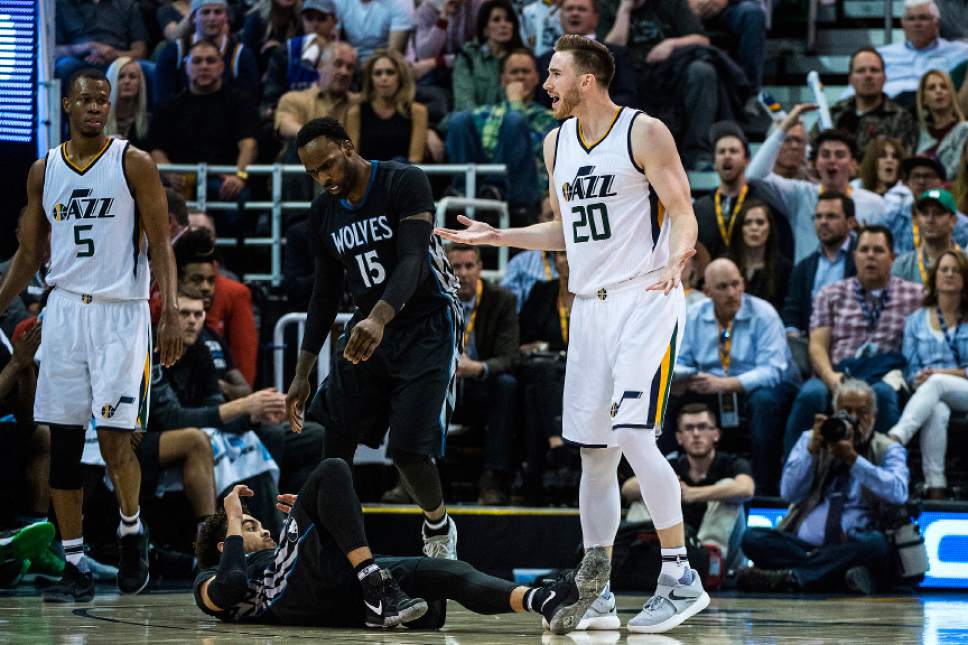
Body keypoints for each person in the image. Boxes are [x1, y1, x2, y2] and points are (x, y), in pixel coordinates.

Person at [436, 34, 709, 634]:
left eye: (555, 74)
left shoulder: (644, 131)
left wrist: (678, 258)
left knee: (636, 433)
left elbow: (684, 208)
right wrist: (499, 237)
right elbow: (569, 232)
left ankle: (680, 573)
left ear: (587, 79)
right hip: (589, 308)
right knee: (595, 454)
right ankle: (598, 589)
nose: (546, 85)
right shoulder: (555, 142)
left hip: (646, 296)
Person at [0, 68, 183, 601]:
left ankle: (131, 531)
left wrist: (168, 309)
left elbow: (161, 245)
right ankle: (75, 561)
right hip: (64, 312)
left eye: (103, 100)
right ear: (67, 105)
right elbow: (29, 255)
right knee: (61, 443)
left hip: (120, 313)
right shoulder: (44, 169)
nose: (97, 107)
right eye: (87, 100)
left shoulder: (134, 164)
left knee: (112, 438)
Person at [285, 117, 462, 563]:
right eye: (313, 173)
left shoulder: (405, 180)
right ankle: (333, 542)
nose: (324, 179)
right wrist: (302, 373)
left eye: (327, 165)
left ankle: (439, 528)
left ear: (348, 146)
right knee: (335, 435)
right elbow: (324, 295)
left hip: (427, 323)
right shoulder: (323, 212)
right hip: (370, 324)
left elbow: (412, 260)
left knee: (406, 449)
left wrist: (380, 318)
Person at [192, 459, 593, 629]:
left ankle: (544, 601)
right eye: (249, 525)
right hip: (295, 599)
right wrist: (229, 517)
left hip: (339, 598)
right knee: (331, 469)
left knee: (446, 574)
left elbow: (302, 551)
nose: (261, 528)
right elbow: (229, 588)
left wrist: (317, 517)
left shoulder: (281, 554)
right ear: (220, 545)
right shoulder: (209, 579)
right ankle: (376, 585)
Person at [739, 379, 908, 595]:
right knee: (752, 538)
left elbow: (899, 493)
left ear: (874, 417)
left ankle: (795, 576)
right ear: (834, 411)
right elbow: (789, 493)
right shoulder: (813, 438)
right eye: (846, 410)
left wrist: (854, 460)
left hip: (855, 545)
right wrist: (811, 452)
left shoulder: (888, 448)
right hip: (806, 547)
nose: (854, 419)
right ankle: (835, 575)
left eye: (862, 413)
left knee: (875, 545)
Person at [783, 226, 923, 456]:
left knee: (883, 394)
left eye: (878, 250)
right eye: (864, 250)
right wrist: (830, 378)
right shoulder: (832, 293)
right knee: (811, 394)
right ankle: (794, 470)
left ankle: (888, 469)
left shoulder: (915, 295)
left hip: (885, 374)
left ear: (892, 257)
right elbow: (817, 344)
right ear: (854, 256)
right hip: (839, 371)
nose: (870, 256)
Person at [671, 259, 799, 494]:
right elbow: (681, 360)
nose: (731, 293)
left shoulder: (763, 313)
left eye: (735, 284)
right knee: (670, 399)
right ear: (707, 291)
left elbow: (773, 370)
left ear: (743, 284)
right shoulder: (693, 315)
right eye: (722, 287)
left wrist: (726, 384)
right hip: (710, 384)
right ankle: (674, 480)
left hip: (758, 387)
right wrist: (687, 377)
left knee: (764, 403)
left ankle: (763, 488)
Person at [598, 0, 748, 170]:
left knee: (702, 71)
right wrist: (625, 10)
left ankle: (697, 153)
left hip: (671, 71)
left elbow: (701, 39)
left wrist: (671, 44)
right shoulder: (610, 6)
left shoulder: (672, 3)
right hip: (629, 77)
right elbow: (609, 50)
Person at [747, 104, 886, 263]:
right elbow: (754, 176)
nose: (832, 160)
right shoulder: (800, 195)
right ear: (814, 164)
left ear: (853, 165)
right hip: (808, 284)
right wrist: (785, 126)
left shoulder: (874, 204)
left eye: (840, 155)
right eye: (825, 155)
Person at [149, 39, 260, 239]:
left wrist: (240, 176)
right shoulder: (168, 107)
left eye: (210, 61)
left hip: (223, 181)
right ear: (187, 66)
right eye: (197, 61)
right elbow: (156, 149)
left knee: (243, 199)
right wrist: (170, 173)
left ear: (221, 66)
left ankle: (230, 265)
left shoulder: (240, 101)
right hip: (181, 183)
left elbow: (249, 144)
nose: (204, 67)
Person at [623, 403, 754, 570]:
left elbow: (746, 489)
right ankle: (642, 557)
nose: (696, 434)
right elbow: (627, 488)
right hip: (677, 552)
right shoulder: (672, 464)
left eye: (703, 427)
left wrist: (693, 493)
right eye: (689, 428)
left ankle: (705, 562)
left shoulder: (732, 463)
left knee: (728, 487)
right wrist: (664, 483)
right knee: (642, 498)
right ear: (679, 437)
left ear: (716, 434)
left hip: (722, 558)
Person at [889, 249, 968, 498]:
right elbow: (911, 368)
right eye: (944, 270)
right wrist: (919, 378)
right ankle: (936, 485)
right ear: (934, 277)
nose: (949, 274)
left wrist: (938, 374)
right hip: (930, 393)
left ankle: (896, 438)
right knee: (936, 410)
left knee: (936, 383)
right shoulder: (915, 321)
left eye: (955, 270)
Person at [446, 243, 520, 504]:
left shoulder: (502, 300)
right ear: (446, 269)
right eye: (456, 267)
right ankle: (406, 476)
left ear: (480, 268)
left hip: (481, 383)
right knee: (412, 384)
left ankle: (493, 479)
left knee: (507, 384)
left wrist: (478, 368)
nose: (463, 274)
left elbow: (511, 357)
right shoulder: (436, 299)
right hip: (443, 383)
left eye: (469, 266)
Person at [445, 48, 557, 215]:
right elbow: (458, 134)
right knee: (459, 119)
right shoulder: (485, 112)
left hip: (520, 187)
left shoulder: (548, 118)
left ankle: (496, 188)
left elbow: (532, 152)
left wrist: (516, 105)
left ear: (536, 79)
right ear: (503, 80)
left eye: (525, 72)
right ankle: (462, 189)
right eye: (514, 72)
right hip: (478, 183)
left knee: (514, 121)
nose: (520, 77)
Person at [516, 250, 579, 505]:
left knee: (535, 393)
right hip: (549, 370)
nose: (566, 261)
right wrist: (533, 347)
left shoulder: (598, 293)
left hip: (585, 370)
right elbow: (523, 341)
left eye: (569, 255)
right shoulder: (542, 292)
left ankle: (538, 470)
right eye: (560, 256)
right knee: (540, 378)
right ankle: (558, 452)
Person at [693, 122, 793, 263]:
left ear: (746, 160)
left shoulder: (766, 202)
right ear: (714, 162)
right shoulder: (699, 209)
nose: (727, 156)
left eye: (733, 151)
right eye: (721, 152)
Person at [858, 0, 968, 109]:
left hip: (938, 113)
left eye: (923, 18)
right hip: (888, 115)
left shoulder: (961, 52)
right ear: (903, 24)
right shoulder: (880, 55)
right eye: (911, 19)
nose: (917, 24)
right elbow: (854, 92)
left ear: (936, 23)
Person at [534, 0, 637, 110]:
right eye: (569, 9)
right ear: (560, 16)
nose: (575, 13)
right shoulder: (544, 60)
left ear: (596, 17)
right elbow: (541, 103)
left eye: (581, 9)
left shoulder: (617, 55)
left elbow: (628, 97)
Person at [782, 192, 857, 338]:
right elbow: (792, 313)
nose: (823, 222)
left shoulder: (863, 259)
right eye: (818, 216)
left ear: (850, 222)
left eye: (831, 216)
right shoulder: (804, 268)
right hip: (811, 344)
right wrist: (793, 335)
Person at [155, 0, 260, 104]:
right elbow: (163, 103)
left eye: (218, 12)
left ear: (226, 17)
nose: (212, 18)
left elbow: (249, 104)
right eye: (205, 12)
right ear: (193, 18)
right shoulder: (174, 53)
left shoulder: (241, 55)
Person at [817, 48, 917, 155]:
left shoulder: (901, 118)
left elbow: (902, 160)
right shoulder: (835, 114)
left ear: (884, 78)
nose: (868, 76)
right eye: (861, 71)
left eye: (874, 70)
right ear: (850, 79)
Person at [346, 50, 428, 163]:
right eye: (378, 73)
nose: (384, 78)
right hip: (369, 176)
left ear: (400, 77)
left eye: (390, 72)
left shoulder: (417, 111)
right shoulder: (356, 112)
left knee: (400, 161)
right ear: (371, 79)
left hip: (402, 176)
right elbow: (352, 159)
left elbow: (415, 160)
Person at [259, 0, 340, 114]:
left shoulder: (344, 55)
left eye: (321, 18)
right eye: (309, 18)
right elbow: (270, 99)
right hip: (293, 117)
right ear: (302, 20)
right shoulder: (286, 52)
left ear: (334, 21)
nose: (315, 25)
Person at [452, 0, 525, 112]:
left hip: (510, 122)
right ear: (485, 30)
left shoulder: (521, 60)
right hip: (473, 121)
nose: (503, 24)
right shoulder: (467, 57)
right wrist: (485, 123)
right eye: (496, 20)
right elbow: (464, 102)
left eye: (508, 20)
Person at [888, 155, 968, 255]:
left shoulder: (962, 225)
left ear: (942, 182)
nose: (921, 182)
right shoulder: (894, 218)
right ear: (907, 183)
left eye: (928, 176)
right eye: (916, 176)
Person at [54, 0, 149, 83]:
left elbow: (140, 51)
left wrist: (114, 54)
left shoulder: (128, 5)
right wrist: (88, 47)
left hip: (118, 60)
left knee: (150, 70)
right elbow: (53, 51)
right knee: (64, 67)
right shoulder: (63, 4)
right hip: (79, 59)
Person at [726, 201, 792, 311]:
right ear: (740, 228)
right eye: (747, 223)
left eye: (760, 222)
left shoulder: (784, 268)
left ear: (770, 229)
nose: (754, 228)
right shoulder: (727, 264)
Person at [501, 195, 559, 310]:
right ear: (540, 221)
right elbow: (508, 311)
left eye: (561, 216)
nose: (556, 222)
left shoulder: (585, 258)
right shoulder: (520, 264)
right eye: (550, 216)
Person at [893, 188, 961, 284]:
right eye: (924, 213)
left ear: (953, 220)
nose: (930, 219)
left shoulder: (965, 262)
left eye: (938, 213)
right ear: (916, 219)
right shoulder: (902, 265)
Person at [915, 69, 968, 180]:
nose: (938, 91)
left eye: (944, 87)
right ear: (924, 99)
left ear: (951, 94)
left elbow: (957, 171)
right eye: (932, 88)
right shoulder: (918, 134)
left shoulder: (964, 130)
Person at [332, 0, 414, 62]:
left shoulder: (401, 2)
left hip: (388, 64)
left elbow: (394, 56)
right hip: (351, 63)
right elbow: (330, 44)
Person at [104, 57, 151, 151]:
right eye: (121, 77)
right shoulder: (97, 118)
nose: (127, 81)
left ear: (140, 83)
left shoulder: (150, 119)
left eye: (132, 77)